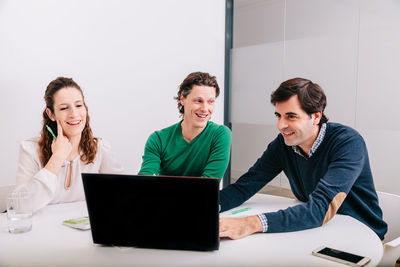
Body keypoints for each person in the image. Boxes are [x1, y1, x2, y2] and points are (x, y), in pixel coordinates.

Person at [219, 78, 387, 240]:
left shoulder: (347, 142)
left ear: (316, 116)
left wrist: (250, 223)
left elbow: (319, 209)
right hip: (315, 229)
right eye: (279, 115)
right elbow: (244, 187)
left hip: (360, 232)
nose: (281, 125)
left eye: (291, 116)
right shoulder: (283, 144)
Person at [14, 77, 123, 212]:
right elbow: (20, 207)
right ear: (51, 114)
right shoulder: (30, 149)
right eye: (64, 108)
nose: (74, 114)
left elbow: (123, 193)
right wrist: (57, 158)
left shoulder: (100, 148)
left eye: (78, 105)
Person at [138, 71, 231, 181]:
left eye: (210, 102)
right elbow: (144, 182)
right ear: (182, 99)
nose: (205, 108)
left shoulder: (220, 135)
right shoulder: (158, 139)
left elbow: (208, 185)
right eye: (198, 101)